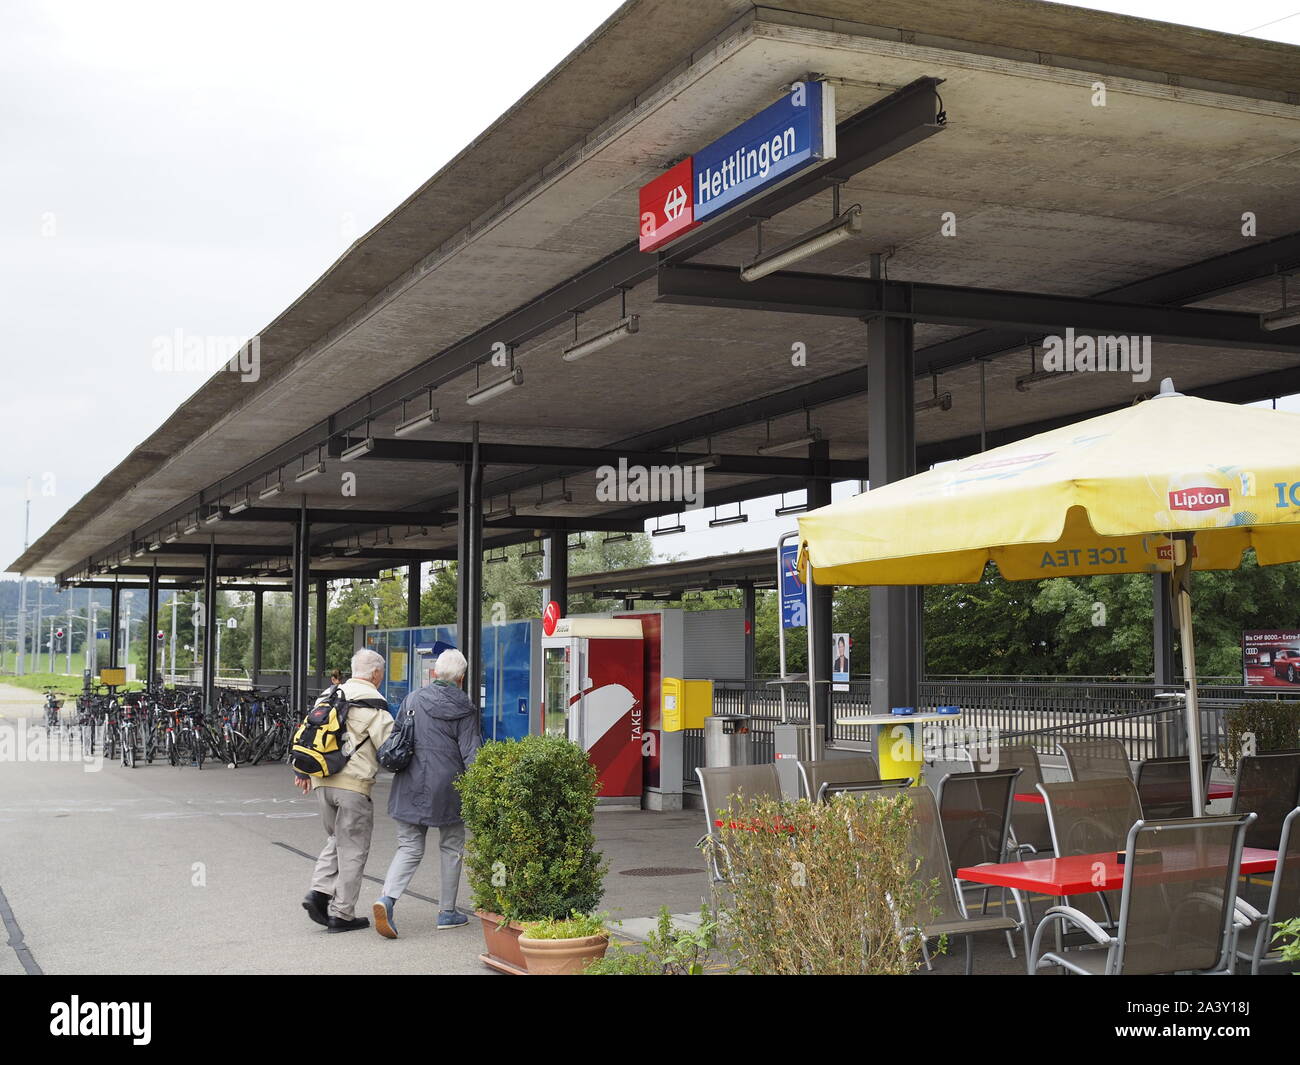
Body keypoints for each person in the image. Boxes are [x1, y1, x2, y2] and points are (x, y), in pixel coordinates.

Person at [373, 647, 481, 937]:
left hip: (410, 782)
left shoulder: (412, 699)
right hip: (449, 786)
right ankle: (447, 912)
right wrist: (482, 789)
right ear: (461, 677)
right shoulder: (465, 708)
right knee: (452, 846)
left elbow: (396, 736)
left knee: (408, 846)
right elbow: (471, 753)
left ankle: (387, 899)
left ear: (435, 673)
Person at [298, 649, 394, 932]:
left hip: (321, 780)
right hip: (353, 785)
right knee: (353, 847)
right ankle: (342, 914)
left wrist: (302, 770)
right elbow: (391, 748)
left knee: (338, 838)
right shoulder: (375, 705)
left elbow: (309, 734)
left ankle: (318, 892)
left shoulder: (328, 696)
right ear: (376, 674)